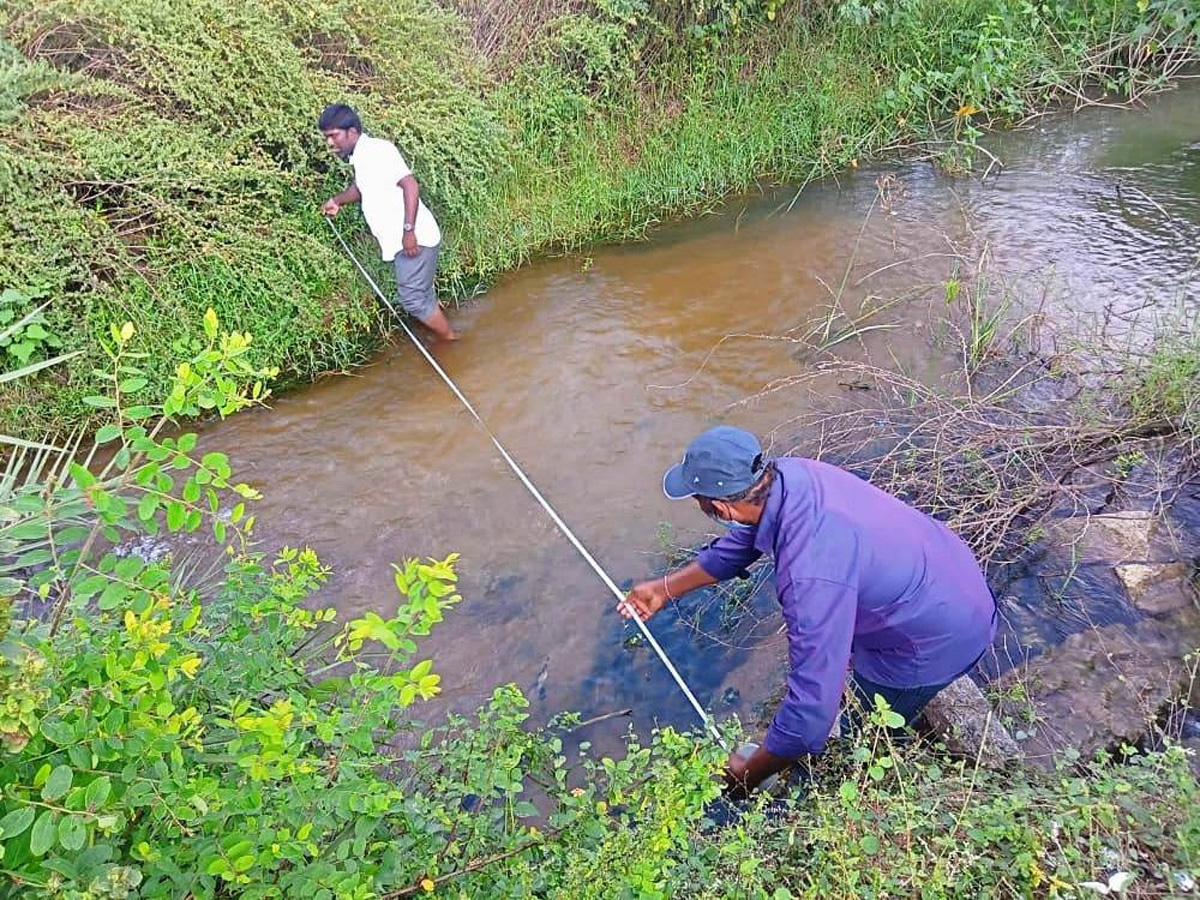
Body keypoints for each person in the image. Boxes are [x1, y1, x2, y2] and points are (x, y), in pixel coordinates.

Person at [619, 426, 997, 796]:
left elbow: (810, 715)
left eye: (697, 498)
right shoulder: (792, 475)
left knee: (870, 721)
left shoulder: (809, 577)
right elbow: (745, 540)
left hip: (941, 638)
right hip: (953, 574)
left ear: (718, 507)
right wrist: (664, 590)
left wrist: (750, 774)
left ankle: (864, 775)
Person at [318, 103, 457, 341]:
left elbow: (410, 185)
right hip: (403, 240)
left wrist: (409, 231)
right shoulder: (361, 157)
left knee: (413, 300)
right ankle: (441, 333)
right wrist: (337, 201)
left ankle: (452, 342)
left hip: (414, 239)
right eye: (327, 137)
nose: (330, 143)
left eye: (334, 136)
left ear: (352, 132)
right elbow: (362, 188)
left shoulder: (378, 151)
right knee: (421, 295)